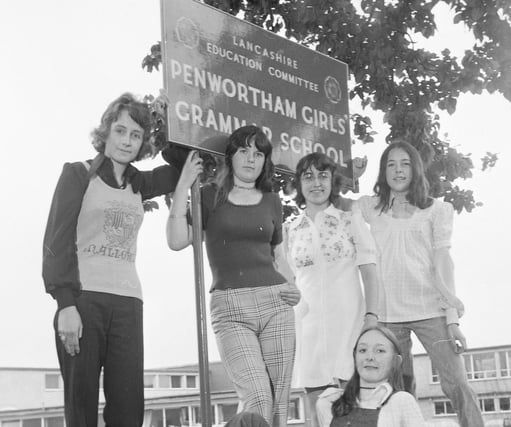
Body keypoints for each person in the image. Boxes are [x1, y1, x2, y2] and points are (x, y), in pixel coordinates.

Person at [42, 92, 182, 427]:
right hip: (82, 301)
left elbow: (181, 166)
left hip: (128, 304)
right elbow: (56, 242)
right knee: (82, 409)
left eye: (136, 135)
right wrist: (65, 305)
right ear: (105, 132)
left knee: (128, 410)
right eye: (120, 131)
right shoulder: (78, 175)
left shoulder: (139, 183)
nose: (127, 141)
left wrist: (165, 118)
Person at [166, 125, 300, 427]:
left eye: (258, 153)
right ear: (231, 156)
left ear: (265, 161)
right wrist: (183, 185)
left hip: (276, 304)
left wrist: (293, 286)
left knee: (278, 405)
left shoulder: (272, 201)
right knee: (258, 396)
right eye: (244, 151)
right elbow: (176, 240)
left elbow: (279, 256)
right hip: (231, 308)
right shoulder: (210, 195)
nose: (251, 159)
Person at [351, 141, 483, 427]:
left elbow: (443, 263)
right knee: (400, 392)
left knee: (458, 384)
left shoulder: (436, 210)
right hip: (388, 317)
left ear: (415, 169)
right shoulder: (370, 208)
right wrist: (351, 176)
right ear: (383, 171)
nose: (398, 170)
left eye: (404, 164)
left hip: (430, 310)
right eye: (390, 164)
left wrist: (452, 319)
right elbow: (338, 206)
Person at [282, 152, 380, 427]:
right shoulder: (290, 231)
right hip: (308, 329)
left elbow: (370, 272)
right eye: (308, 176)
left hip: (349, 324)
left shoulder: (350, 219)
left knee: (355, 414)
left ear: (332, 180)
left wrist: (371, 318)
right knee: (319, 416)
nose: (316, 183)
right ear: (298, 185)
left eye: (323, 175)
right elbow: (289, 282)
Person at [316, 326, 425, 427]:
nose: (370, 357)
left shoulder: (401, 401)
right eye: (363, 350)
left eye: (380, 351)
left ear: (396, 361)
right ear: (354, 358)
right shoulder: (329, 402)